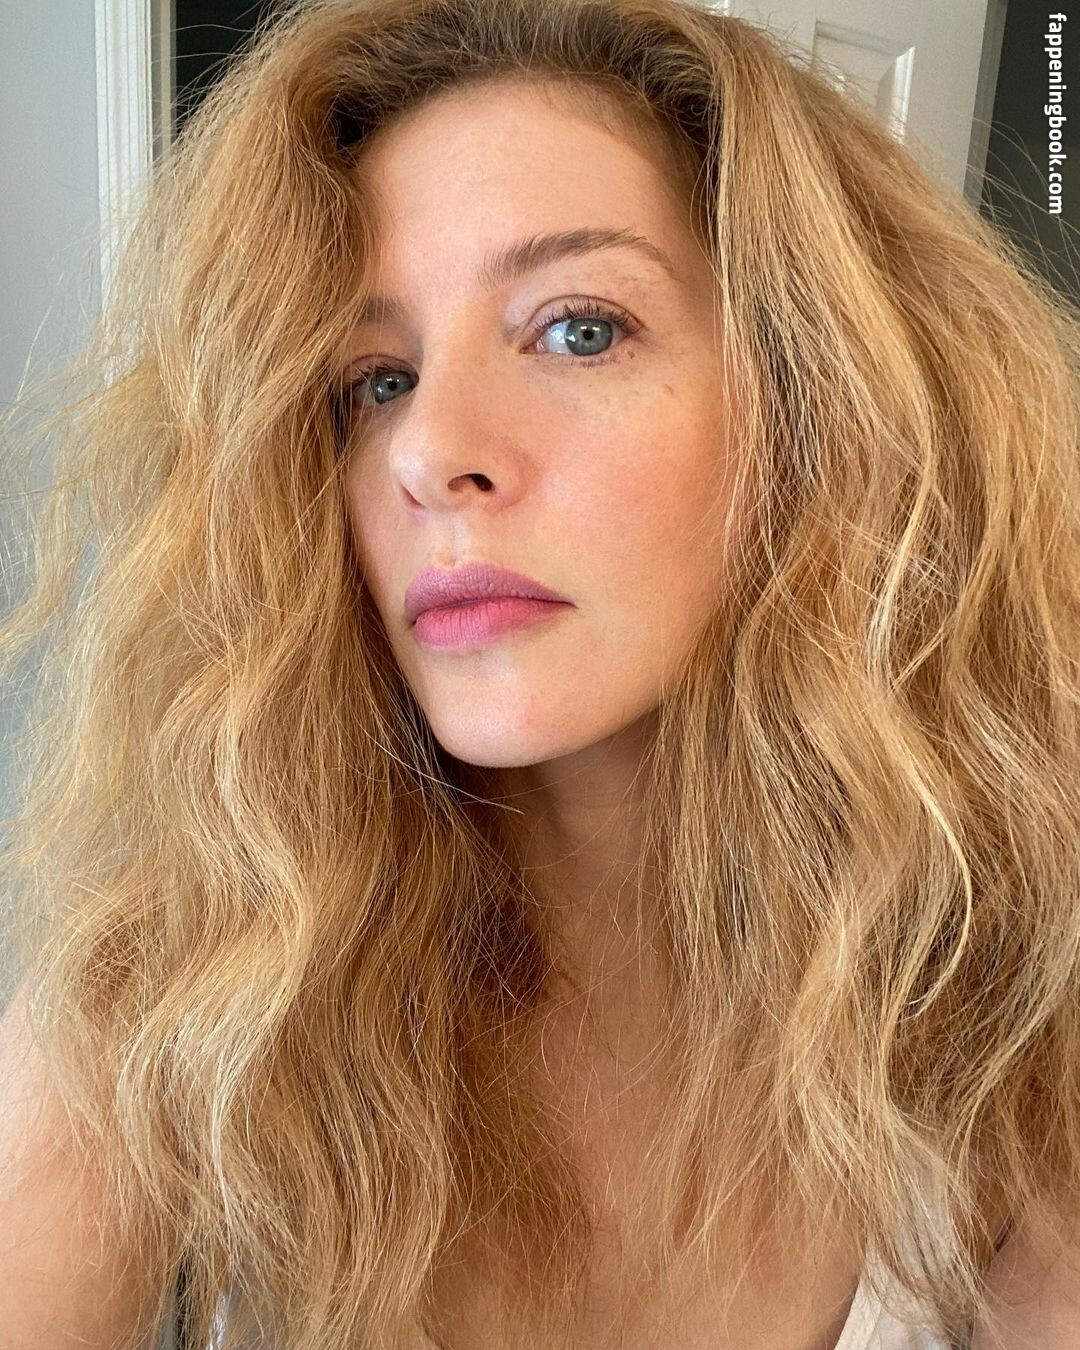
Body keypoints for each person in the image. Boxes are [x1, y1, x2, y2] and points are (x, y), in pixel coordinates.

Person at [1, 0, 1078, 1346]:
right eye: (373, 381)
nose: (430, 449)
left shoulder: (1006, 1000)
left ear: (820, 406)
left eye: (578, 330)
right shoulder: (179, 985)